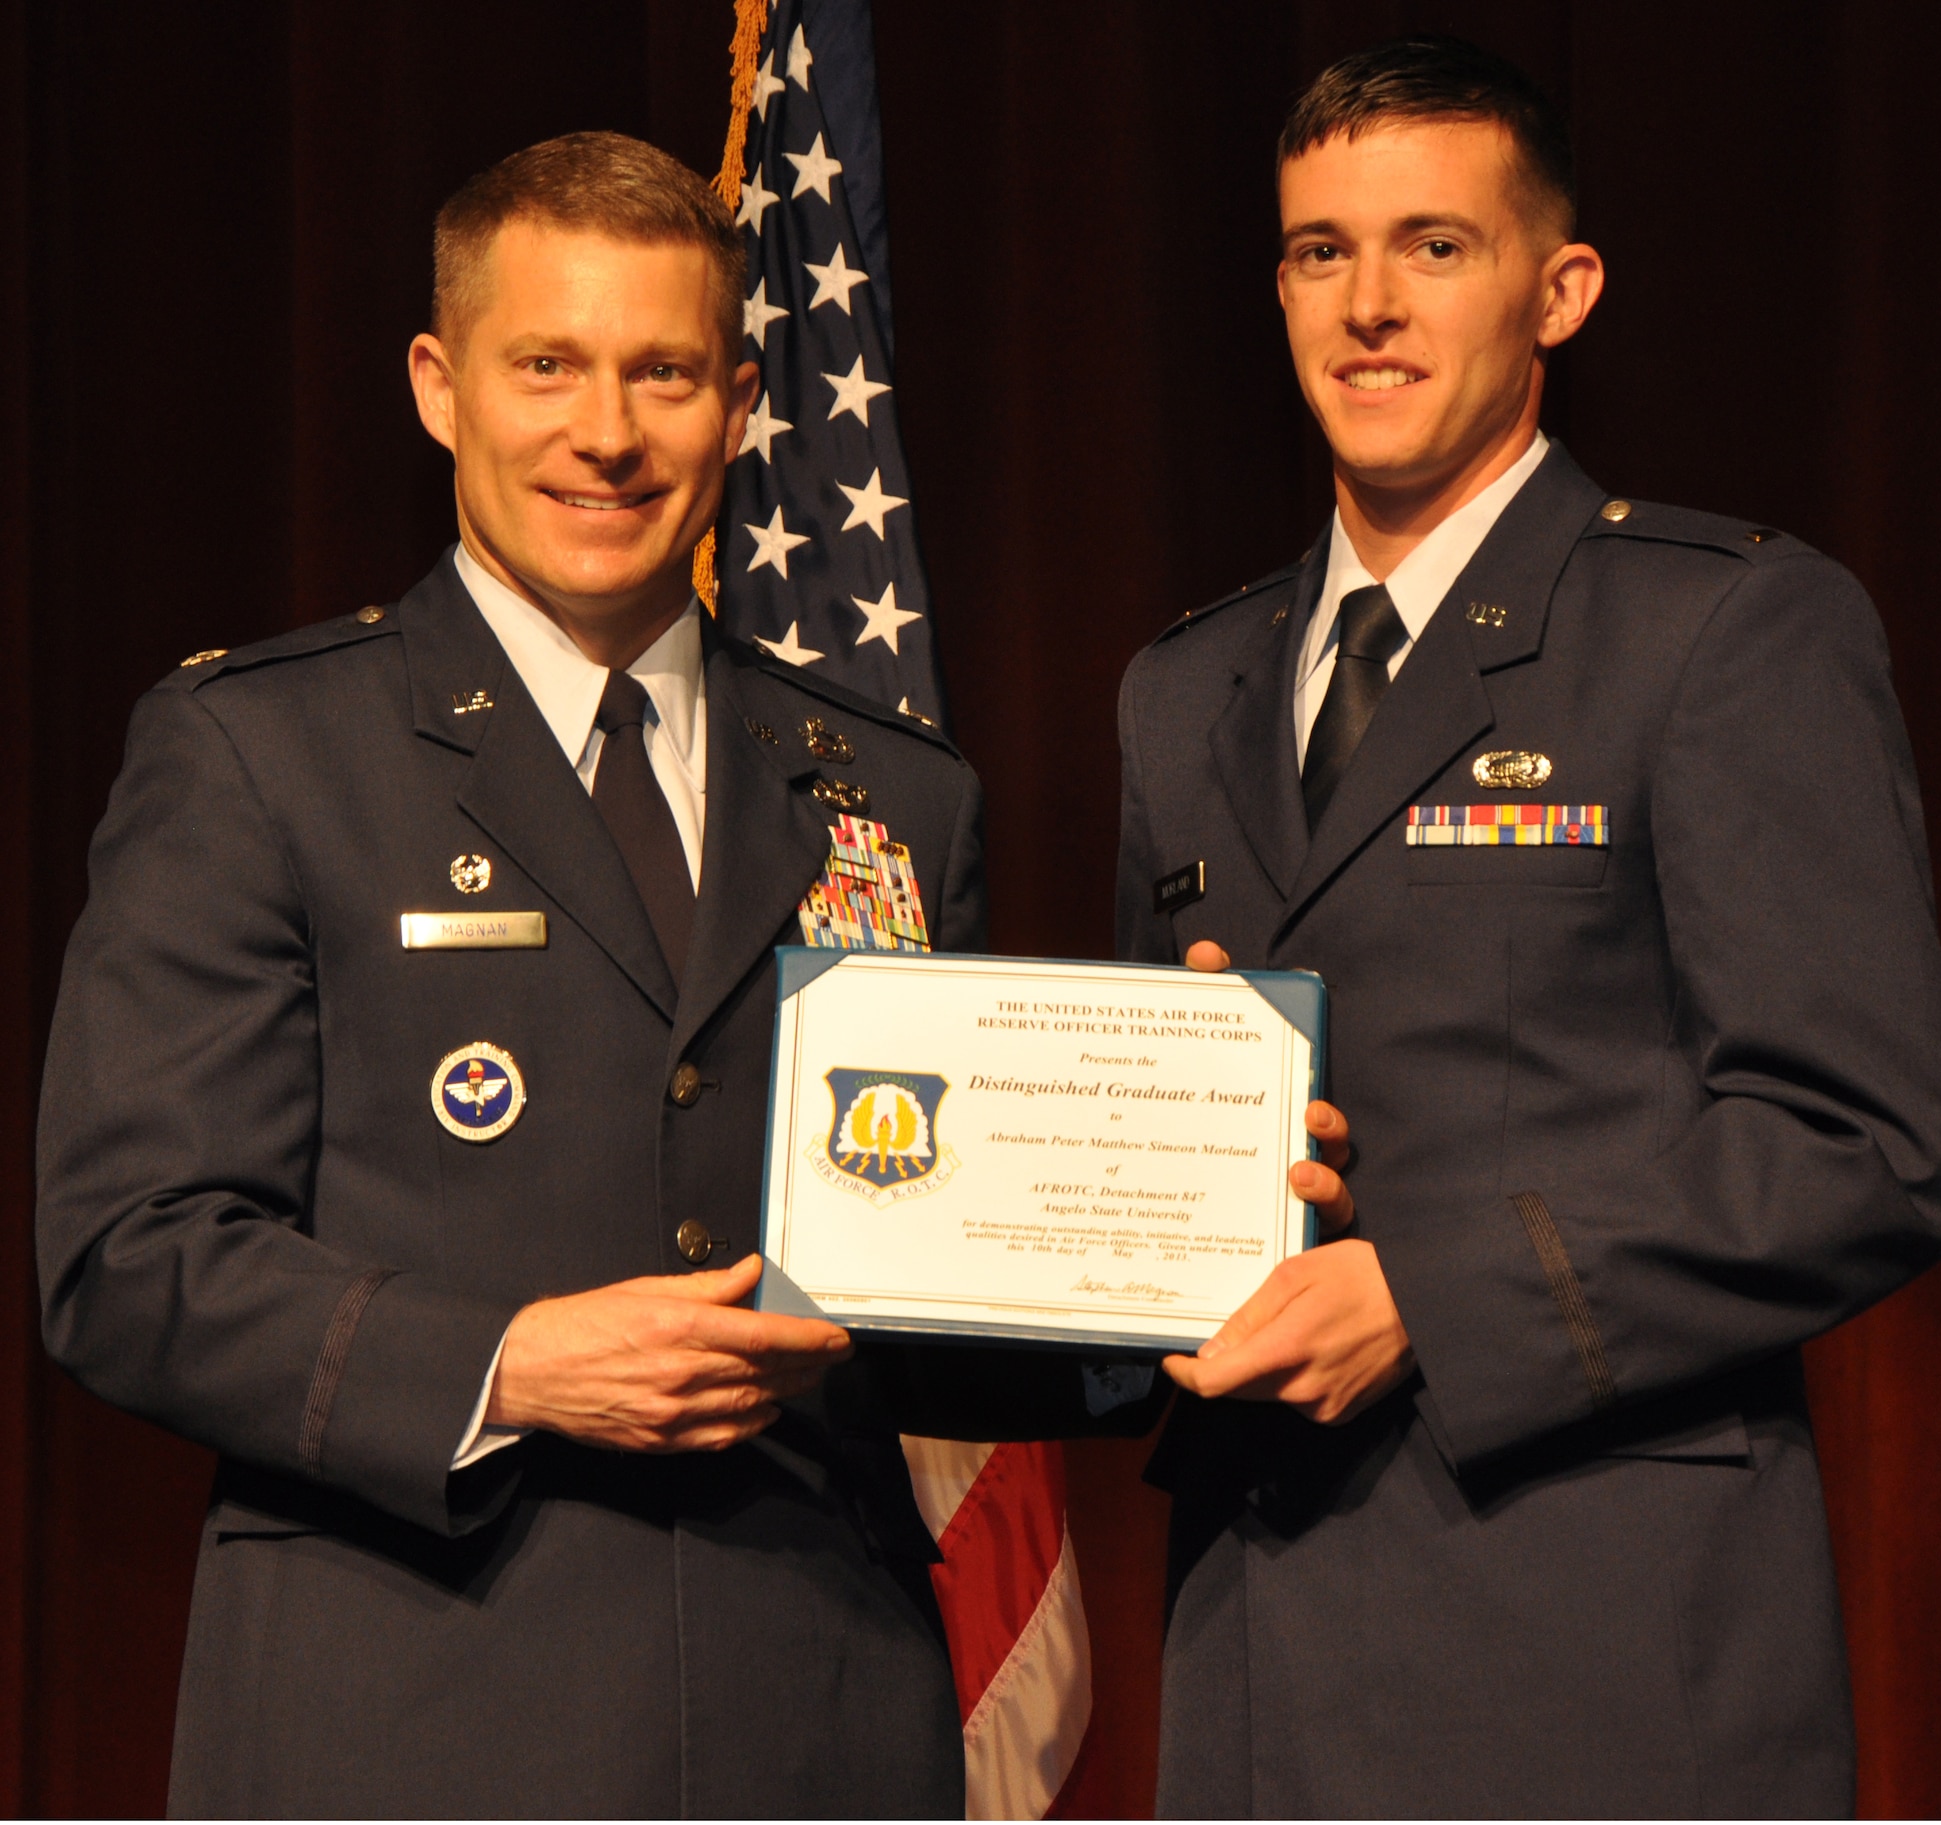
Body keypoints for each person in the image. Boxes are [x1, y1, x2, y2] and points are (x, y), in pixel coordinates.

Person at [36, 131, 1127, 1818]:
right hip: (410, 1715)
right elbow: (128, 1258)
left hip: (815, 1725)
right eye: (546, 364)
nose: (606, 432)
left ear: (743, 398)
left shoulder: (896, 789)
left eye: (663, 371)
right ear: (438, 384)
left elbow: (937, 1287)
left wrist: (1178, 1260)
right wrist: (507, 1364)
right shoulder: (261, 752)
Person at [1116, 37, 1941, 1817]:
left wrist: (1427, 1293)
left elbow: (1865, 1147)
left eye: (1435, 245)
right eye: (1318, 251)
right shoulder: (1180, 688)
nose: (1366, 306)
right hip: (1262, 1667)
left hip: (1599, 1657)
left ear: (1558, 288)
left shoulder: (1726, 630)